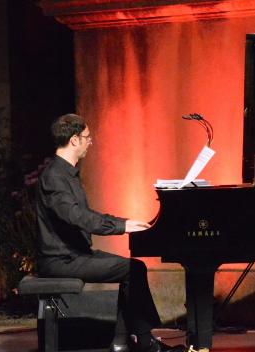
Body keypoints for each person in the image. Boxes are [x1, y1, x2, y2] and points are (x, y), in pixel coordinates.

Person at [36, 114, 180, 352]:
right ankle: (139, 342)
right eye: (87, 137)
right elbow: (77, 217)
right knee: (132, 269)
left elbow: (85, 213)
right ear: (74, 140)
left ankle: (126, 341)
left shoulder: (66, 174)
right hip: (59, 260)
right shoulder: (54, 177)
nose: (90, 142)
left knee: (134, 268)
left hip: (76, 255)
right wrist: (122, 227)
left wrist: (124, 222)